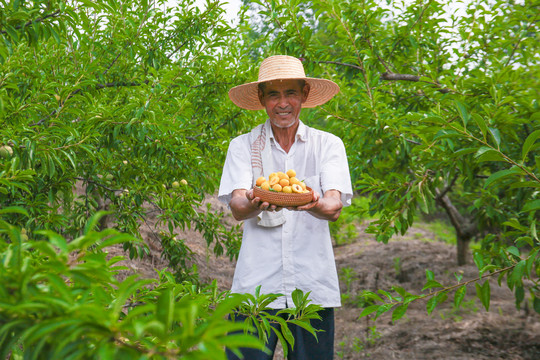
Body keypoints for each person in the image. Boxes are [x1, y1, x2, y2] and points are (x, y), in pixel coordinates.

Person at [218, 55, 353, 360]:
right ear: (261, 99)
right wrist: (257, 199)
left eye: (291, 93)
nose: (283, 103)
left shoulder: (328, 145)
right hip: (256, 289)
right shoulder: (243, 146)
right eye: (274, 95)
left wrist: (309, 200)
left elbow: (333, 206)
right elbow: (239, 206)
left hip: (312, 289)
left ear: (304, 95)